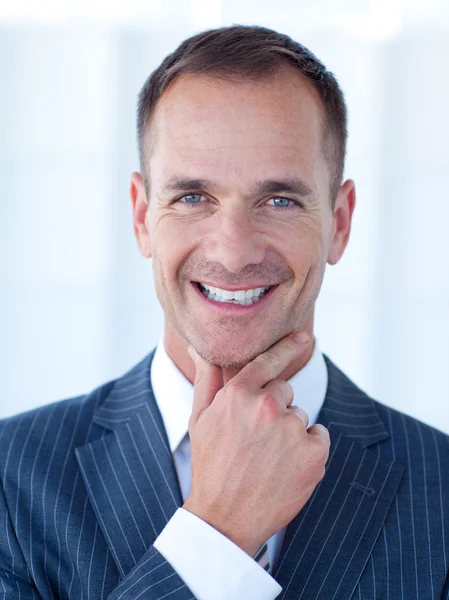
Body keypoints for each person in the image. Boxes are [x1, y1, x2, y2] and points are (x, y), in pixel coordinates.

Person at [0, 24, 448, 600]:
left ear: (339, 223)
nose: (233, 250)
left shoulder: (440, 489)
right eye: (192, 197)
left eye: (279, 200)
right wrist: (215, 538)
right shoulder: (12, 481)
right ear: (142, 218)